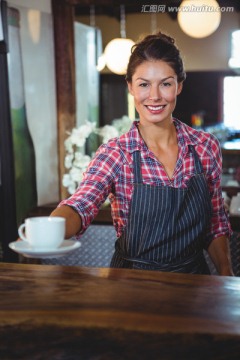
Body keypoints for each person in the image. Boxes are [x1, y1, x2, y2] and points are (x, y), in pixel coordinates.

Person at [51, 32, 233, 275]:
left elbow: (215, 223)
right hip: (132, 284)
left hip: (194, 283)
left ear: (179, 85)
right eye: (144, 84)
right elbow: (80, 205)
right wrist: (51, 227)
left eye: (165, 84)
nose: (155, 96)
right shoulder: (116, 153)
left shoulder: (204, 146)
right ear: (130, 87)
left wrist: (227, 275)